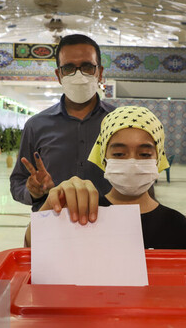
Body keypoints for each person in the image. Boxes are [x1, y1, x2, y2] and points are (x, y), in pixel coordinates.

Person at [25, 106, 186, 250]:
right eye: (119, 154)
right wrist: (50, 208)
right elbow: (34, 251)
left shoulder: (176, 225)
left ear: (158, 158)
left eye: (144, 154)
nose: (132, 162)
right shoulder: (85, 211)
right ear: (104, 159)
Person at [10, 34, 114, 211]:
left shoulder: (119, 121)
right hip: (53, 226)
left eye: (87, 67)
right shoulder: (36, 125)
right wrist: (34, 191)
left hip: (108, 226)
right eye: (69, 68)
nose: (78, 75)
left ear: (100, 72)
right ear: (59, 75)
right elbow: (17, 183)